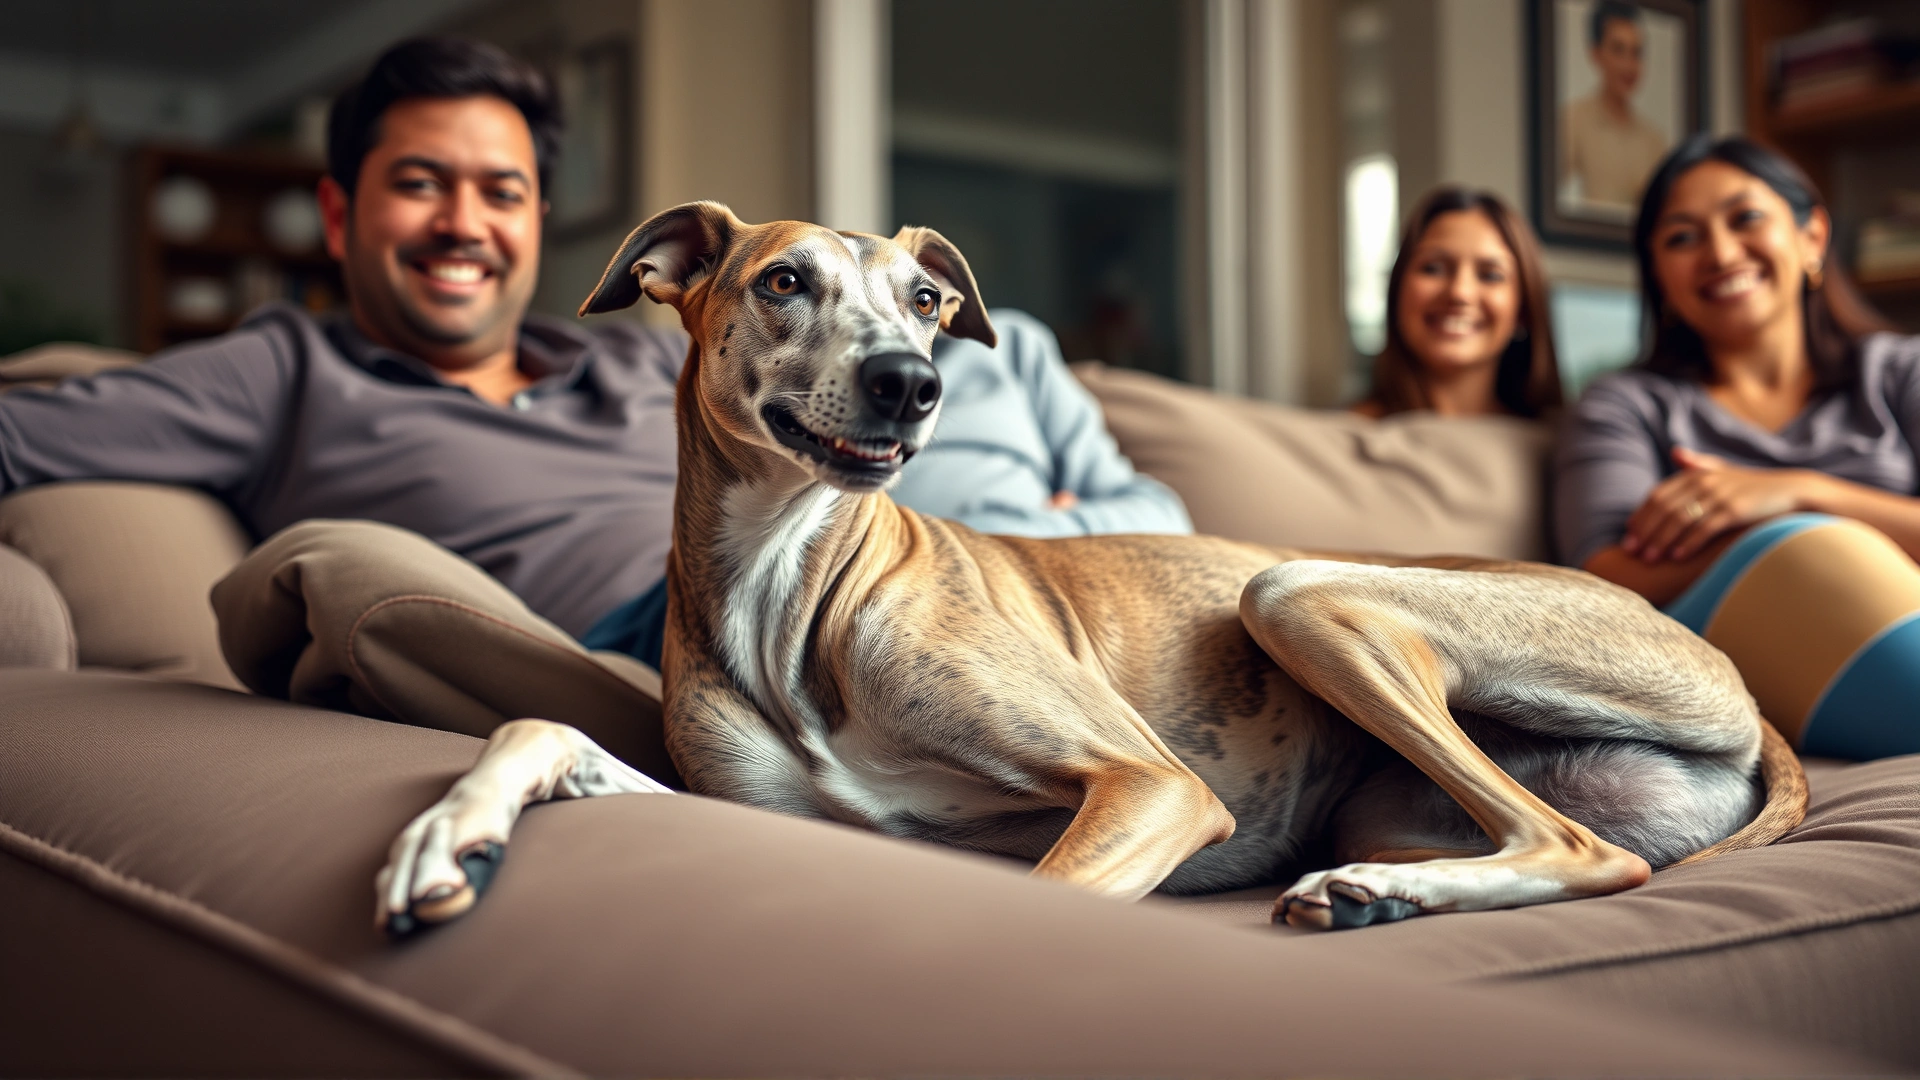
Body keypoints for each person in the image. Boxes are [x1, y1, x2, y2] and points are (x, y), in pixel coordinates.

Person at [0, 37, 1183, 778]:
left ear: (534, 218)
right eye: (420, 185)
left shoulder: (644, 359)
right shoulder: (279, 370)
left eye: (501, 191)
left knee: (997, 369)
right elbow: (25, 427)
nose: (466, 222)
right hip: (636, 634)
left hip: (863, 561)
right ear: (339, 213)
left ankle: (1130, 604)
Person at [1555, 135, 1917, 760]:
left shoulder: (1900, 370)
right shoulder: (1627, 404)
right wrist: (1778, 536)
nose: (1720, 252)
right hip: (1733, 667)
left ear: (1812, 237)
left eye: (1745, 217)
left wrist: (1799, 493)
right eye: (1682, 237)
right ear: (1658, 276)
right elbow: (1603, 574)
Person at [1352, 186, 1561, 419]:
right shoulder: (1342, 439)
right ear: (1398, 288)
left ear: (1523, 309)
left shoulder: (1563, 445)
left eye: (1490, 275)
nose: (1459, 293)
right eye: (1433, 268)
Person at [1560, 1, 1670, 214]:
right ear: (1597, 54)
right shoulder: (1574, 119)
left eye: (1636, 53)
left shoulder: (1654, 139)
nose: (1629, 65)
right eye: (1618, 50)